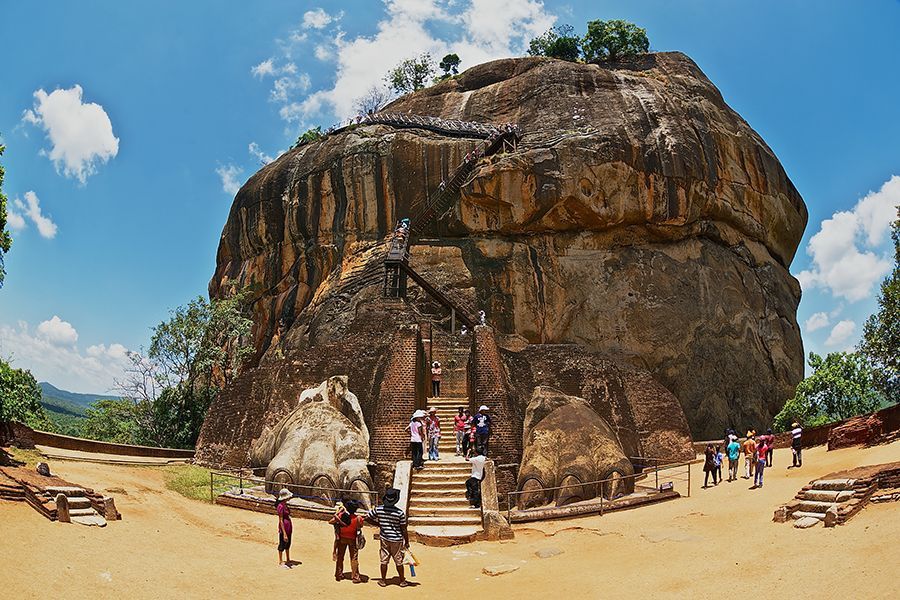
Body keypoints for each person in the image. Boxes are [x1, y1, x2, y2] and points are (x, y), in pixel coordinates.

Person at [366, 488, 410, 588]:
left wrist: (378, 524)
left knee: (384, 560)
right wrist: (407, 542)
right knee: (398, 560)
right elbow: (404, 529)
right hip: (397, 540)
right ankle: (402, 580)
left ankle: (383, 580)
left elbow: (367, 518)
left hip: (384, 538)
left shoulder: (379, 509)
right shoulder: (400, 513)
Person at [330, 499, 364, 583]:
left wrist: (338, 513)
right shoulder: (358, 518)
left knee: (340, 556)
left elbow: (331, 521)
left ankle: (339, 574)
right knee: (354, 558)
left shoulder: (342, 515)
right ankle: (355, 577)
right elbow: (360, 525)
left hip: (342, 538)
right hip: (352, 539)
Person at [276, 488, 293, 568]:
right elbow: (281, 520)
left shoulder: (285, 505)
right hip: (284, 529)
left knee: (288, 544)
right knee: (282, 544)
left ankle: (288, 559)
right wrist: (284, 533)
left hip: (288, 527)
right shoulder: (280, 506)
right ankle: (280, 560)